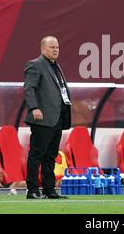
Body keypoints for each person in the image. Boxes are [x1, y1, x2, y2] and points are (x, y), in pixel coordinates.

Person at [24, 36, 72, 199]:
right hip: (42, 118)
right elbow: (29, 88)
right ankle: (32, 190)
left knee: (50, 156)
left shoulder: (55, 67)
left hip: (56, 118)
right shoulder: (35, 65)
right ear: (43, 48)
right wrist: (34, 108)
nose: (55, 50)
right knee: (36, 154)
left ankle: (49, 189)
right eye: (52, 47)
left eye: (57, 47)